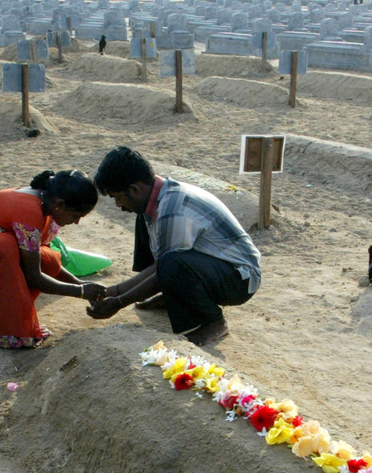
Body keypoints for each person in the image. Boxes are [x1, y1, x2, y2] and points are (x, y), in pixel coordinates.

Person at [87, 147, 261, 346]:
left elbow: (165, 267)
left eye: (117, 197)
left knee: (172, 263)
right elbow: (160, 266)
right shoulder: (158, 194)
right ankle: (171, 296)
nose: (118, 204)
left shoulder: (172, 209)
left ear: (135, 189)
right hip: (211, 264)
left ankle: (214, 322)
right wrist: (113, 292)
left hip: (239, 279)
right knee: (146, 226)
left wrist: (118, 301)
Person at [0, 170, 105, 348]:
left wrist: (82, 286)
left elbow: (39, 264)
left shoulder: (44, 203)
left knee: (49, 259)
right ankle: (2, 328)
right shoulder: (29, 211)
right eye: (75, 216)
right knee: (3, 247)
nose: (76, 222)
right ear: (59, 205)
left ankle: (1, 317)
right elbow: (34, 276)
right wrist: (81, 292)